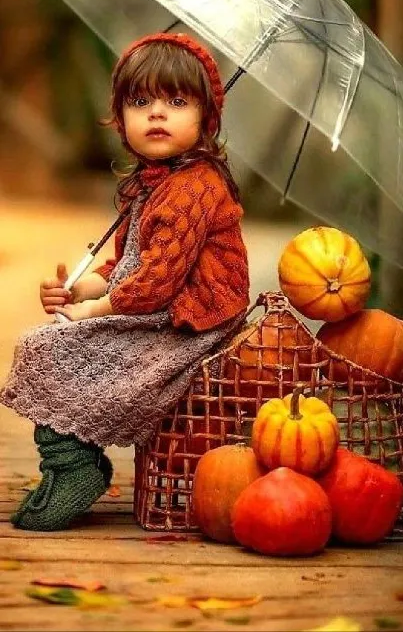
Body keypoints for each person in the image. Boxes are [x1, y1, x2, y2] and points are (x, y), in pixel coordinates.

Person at [1, 32, 249, 531]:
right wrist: (81, 288)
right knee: (51, 343)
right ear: (120, 118)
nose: (157, 113)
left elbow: (156, 282)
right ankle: (75, 460)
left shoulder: (195, 187)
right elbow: (126, 266)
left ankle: (74, 467)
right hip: (150, 309)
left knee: (50, 348)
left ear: (206, 118)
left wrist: (96, 311)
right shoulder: (150, 184)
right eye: (141, 101)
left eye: (177, 101)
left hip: (187, 324)